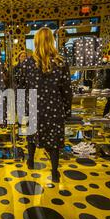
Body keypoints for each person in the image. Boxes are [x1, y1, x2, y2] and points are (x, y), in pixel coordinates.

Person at [19, 27, 72, 183]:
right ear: (52, 41)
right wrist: (67, 111)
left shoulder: (27, 63)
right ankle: (54, 172)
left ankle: (30, 162)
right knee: (54, 139)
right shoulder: (61, 62)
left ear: (36, 42)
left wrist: (22, 110)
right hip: (54, 105)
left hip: (34, 105)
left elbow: (21, 88)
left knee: (32, 134)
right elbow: (67, 90)